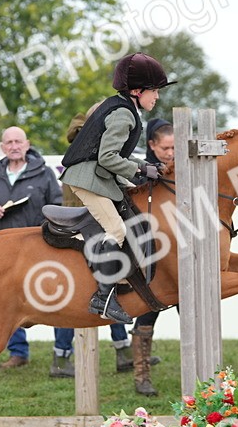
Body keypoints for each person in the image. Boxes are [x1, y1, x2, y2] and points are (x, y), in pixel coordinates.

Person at [59, 52, 175, 324]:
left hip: (97, 174)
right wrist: (139, 169)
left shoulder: (123, 107)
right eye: (154, 91)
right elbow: (107, 158)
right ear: (136, 90)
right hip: (88, 178)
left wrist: (145, 168)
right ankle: (102, 296)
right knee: (116, 229)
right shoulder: (124, 114)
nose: (156, 97)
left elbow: (113, 155)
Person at [55, 108, 142, 375]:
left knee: (110, 277)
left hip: (98, 208)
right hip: (84, 214)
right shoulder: (86, 134)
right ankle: (60, 356)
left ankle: (122, 348)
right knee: (68, 292)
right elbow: (76, 135)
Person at [0, 126, 65, 373]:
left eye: (18, 141)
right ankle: (18, 352)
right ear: (3, 147)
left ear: (27, 144)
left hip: (41, 245)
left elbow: (58, 205)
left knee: (57, 297)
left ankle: (62, 353)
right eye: (9, 142)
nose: (14, 146)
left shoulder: (45, 173)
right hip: (9, 250)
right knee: (10, 300)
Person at [128, 118, 176, 396]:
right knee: (146, 314)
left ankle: (202, 372)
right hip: (148, 255)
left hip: (177, 252)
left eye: (174, 148)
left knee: (189, 311)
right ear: (152, 145)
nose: (170, 153)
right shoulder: (140, 171)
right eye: (166, 148)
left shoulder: (180, 169)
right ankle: (141, 375)